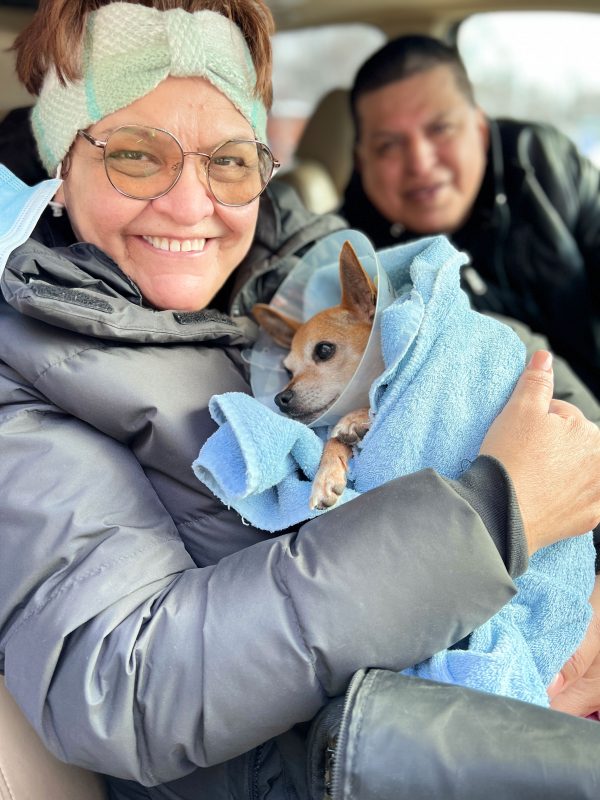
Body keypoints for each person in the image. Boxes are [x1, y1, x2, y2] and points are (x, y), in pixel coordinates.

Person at [1, 3, 600, 799]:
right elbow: (128, 681)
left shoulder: (293, 255)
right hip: (346, 752)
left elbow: (484, 361)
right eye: (135, 156)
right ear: (61, 171)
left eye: (229, 161)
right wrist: (497, 519)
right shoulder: (26, 371)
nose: (190, 204)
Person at [340, 34, 600, 400]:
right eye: (388, 146)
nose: (420, 162)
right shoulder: (350, 261)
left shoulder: (543, 164)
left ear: (479, 130)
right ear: (362, 162)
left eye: (440, 129)